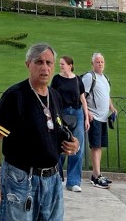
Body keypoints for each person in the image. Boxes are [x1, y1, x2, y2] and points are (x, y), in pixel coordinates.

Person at [0, 42, 80, 221]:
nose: (45, 67)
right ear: (28, 64)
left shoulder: (55, 96)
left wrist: (74, 144)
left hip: (52, 182)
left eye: (49, 63)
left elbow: (57, 131)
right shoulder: (15, 96)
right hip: (20, 181)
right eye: (39, 62)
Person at [50, 55, 88, 192]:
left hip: (77, 113)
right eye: (60, 64)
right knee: (60, 144)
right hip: (61, 112)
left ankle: (73, 181)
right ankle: (58, 177)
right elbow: (52, 96)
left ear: (70, 65)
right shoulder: (56, 79)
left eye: (63, 64)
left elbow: (82, 99)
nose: (60, 66)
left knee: (78, 146)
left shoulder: (77, 79)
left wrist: (86, 117)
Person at [80, 52, 117, 188]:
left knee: (99, 146)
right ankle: (97, 176)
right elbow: (81, 96)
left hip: (103, 118)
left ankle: (97, 174)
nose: (100, 64)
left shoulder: (105, 78)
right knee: (95, 146)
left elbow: (107, 96)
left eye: (102, 61)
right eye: (97, 62)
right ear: (92, 64)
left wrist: (112, 108)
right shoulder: (90, 77)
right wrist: (87, 112)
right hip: (94, 117)